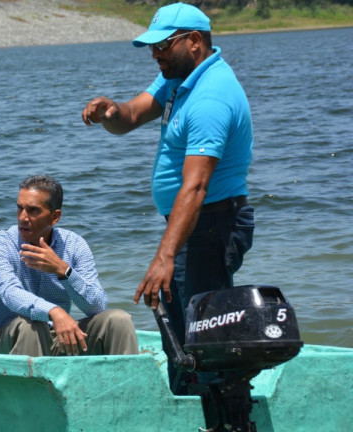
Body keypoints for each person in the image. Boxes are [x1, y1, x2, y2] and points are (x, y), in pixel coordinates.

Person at [81, 2, 255, 396]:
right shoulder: (179, 77)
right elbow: (131, 116)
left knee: (204, 337)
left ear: (194, 41)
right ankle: (189, 403)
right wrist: (111, 111)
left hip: (211, 224)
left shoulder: (211, 97)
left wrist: (165, 256)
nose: (155, 54)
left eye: (163, 45)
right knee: (180, 334)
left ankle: (222, 412)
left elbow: (196, 187)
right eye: (151, 46)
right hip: (190, 225)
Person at [0, 175, 138, 357]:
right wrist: (53, 311)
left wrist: (64, 272)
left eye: (33, 210)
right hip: (11, 339)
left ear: (55, 217)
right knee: (29, 325)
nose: (23, 217)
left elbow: (97, 307)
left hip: (59, 337)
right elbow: (10, 293)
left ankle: (124, 375)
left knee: (118, 320)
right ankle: (30, 378)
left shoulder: (74, 245)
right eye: (20, 208)